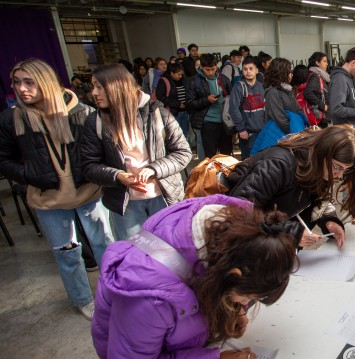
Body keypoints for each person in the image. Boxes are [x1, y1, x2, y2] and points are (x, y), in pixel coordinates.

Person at [92, 194, 298, 359]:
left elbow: (212, 282)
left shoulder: (222, 236)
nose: (247, 303)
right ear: (234, 276)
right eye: (248, 298)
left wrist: (234, 310)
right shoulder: (150, 300)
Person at [0, 59, 114, 320]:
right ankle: (83, 299)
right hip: (48, 201)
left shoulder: (81, 112)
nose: (22, 88)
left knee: (105, 246)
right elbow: (3, 158)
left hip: (88, 193)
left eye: (29, 82)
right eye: (17, 82)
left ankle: (114, 293)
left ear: (46, 81)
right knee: (67, 254)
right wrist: (29, 175)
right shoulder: (12, 118)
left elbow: (100, 149)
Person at [81, 64, 192, 241]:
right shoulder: (95, 121)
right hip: (125, 204)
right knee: (134, 255)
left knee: (172, 250)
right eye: (93, 87)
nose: (94, 93)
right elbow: (89, 166)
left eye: (99, 87)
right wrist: (118, 176)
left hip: (164, 198)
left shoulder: (158, 113)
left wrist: (154, 169)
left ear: (117, 87)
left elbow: (183, 152)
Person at [227, 125, 355, 248]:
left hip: (273, 248)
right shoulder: (279, 165)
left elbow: (315, 199)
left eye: (346, 170)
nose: (339, 175)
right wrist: (290, 231)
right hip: (243, 247)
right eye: (337, 167)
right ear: (323, 153)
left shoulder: (320, 167)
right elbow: (237, 211)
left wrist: (329, 220)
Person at [186, 53, 233, 158]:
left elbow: (231, 98)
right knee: (210, 156)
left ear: (216, 66)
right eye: (207, 70)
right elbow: (189, 103)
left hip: (225, 123)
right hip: (207, 123)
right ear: (201, 67)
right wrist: (206, 100)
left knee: (226, 155)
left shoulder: (224, 79)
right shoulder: (194, 81)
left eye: (213, 69)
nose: (211, 72)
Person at [229, 57, 265, 159]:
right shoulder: (239, 87)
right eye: (245, 69)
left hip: (262, 132)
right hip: (247, 133)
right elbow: (233, 109)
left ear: (257, 70)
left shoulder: (262, 86)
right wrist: (241, 129)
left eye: (251, 68)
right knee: (248, 162)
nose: (248, 72)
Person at [263, 58, 303, 134]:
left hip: (292, 133)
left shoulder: (288, 90)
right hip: (280, 137)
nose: (291, 74)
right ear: (281, 73)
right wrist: (295, 131)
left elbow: (298, 110)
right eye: (289, 72)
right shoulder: (273, 93)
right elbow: (281, 120)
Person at [156, 62, 190, 142]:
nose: (180, 76)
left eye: (181, 74)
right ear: (171, 73)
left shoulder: (184, 79)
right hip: (172, 112)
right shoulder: (163, 81)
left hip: (185, 111)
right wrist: (177, 104)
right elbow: (161, 96)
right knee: (175, 135)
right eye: (178, 74)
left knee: (185, 133)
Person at [304, 51, 331, 128]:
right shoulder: (315, 76)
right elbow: (308, 93)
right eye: (324, 61)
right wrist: (322, 105)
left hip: (321, 116)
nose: (327, 64)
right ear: (317, 63)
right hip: (319, 116)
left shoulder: (321, 75)